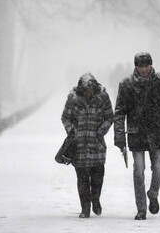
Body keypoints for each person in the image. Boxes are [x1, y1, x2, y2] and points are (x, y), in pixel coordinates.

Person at [114, 52, 160, 220]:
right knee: (138, 171)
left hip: (156, 132)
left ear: (151, 65)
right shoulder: (126, 85)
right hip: (136, 132)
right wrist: (119, 136)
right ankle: (141, 208)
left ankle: (153, 192)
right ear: (136, 66)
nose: (144, 69)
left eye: (146, 66)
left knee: (158, 169)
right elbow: (119, 112)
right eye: (141, 66)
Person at [62, 73, 113, 218]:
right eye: (85, 90)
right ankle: (85, 208)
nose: (88, 93)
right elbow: (65, 117)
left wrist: (101, 131)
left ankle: (95, 199)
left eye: (90, 90)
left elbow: (109, 117)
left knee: (98, 177)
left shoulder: (102, 98)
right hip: (79, 146)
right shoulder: (73, 100)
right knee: (82, 179)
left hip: (97, 145)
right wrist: (72, 132)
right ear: (80, 89)